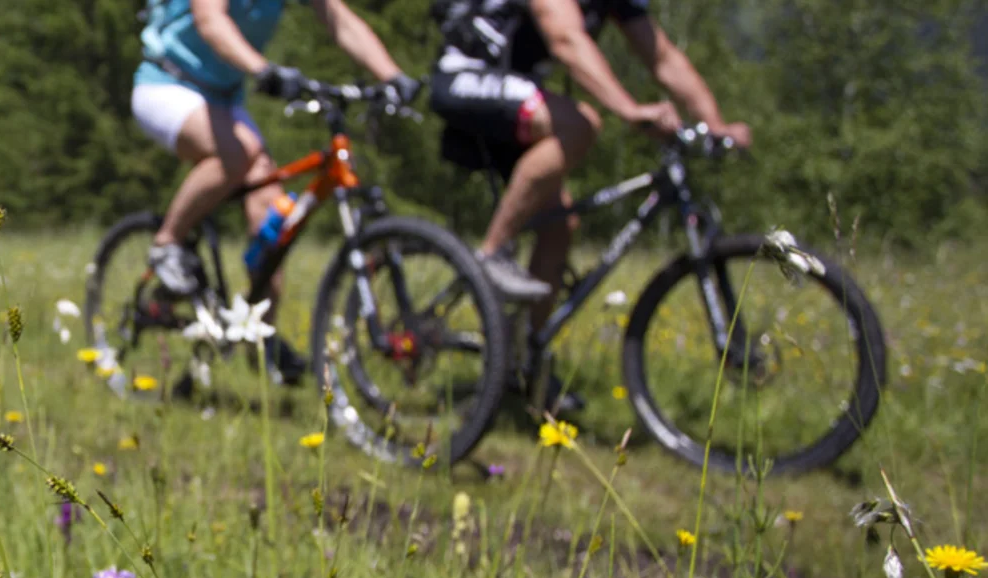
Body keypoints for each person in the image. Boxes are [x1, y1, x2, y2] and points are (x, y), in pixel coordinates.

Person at [135, 0, 418, 378]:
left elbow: (340, 21)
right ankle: (167, 243)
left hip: (225, 97)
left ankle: (259, 337)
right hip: (167, 84)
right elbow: (210, 20)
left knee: (274, 217)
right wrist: (263, 70)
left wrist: (391, 76)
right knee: (240, 155)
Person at [427, 0, 752, 306]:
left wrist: (715, 124)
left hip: (516, 91)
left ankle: (526, 358)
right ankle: (493, 252)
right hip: (463, 75)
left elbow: (662, 58)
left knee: (560, 225)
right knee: (579, 124)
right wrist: (629, 110)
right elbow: (566, 40)